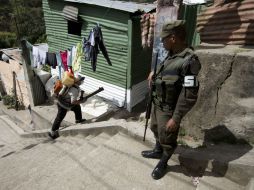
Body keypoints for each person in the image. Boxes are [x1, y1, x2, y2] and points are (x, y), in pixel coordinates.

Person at [141, 20, 201, 180]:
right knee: (155, 128)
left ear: (173, 38)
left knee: (167, 137)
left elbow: (190, 93)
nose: (162, 42)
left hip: (169, 109)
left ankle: (164, 160)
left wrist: (176, 117)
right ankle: (158, 150)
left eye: (164, 39)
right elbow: (169, 71)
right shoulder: (172, 54)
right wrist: (155, 72)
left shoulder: (189, 61)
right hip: (158, 103)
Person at [48, 75, 87, 139]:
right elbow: (73, 102)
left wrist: (79, 102)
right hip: (62, 104)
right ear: (77, 82)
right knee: (59, 117)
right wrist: (81, 101)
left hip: (64, 101)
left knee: (77, 107)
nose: (82, 82)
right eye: (81, 80)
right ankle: (52, 132)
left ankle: (78, 119)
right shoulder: (74, 90)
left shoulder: (73, 86)